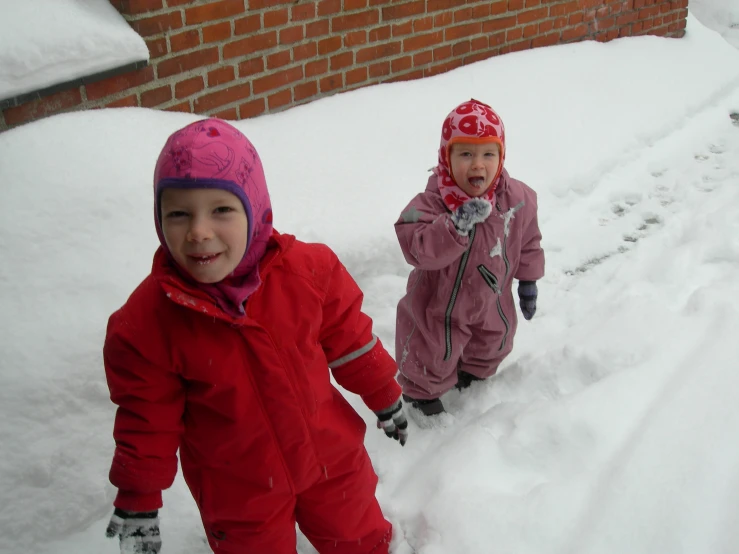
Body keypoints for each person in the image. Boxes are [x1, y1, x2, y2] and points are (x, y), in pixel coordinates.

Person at [102, 118, 408, 554]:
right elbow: (146, 418)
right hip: (239, 491)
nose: (199, 231)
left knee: (359, 537)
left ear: (255, 207)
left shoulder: (306, 271)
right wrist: (138, 496)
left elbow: (351, 340)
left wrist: (383, 391)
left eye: (221, 210)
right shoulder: (148, 323)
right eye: (178, 213)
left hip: (329, 458)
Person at [394, 99, 545, 416]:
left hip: (492, 296)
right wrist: (454, 226)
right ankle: (422, 396)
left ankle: (472, 374)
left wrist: (528, 280)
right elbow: (415, 245)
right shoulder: (430, 203)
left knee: (494, 341)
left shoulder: (518, 199)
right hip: (441, 302)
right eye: (466, 154)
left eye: (488, 154)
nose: (478, 165)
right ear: (446, 156)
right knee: (432, 348)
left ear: (501, 157)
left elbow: (528, 238)